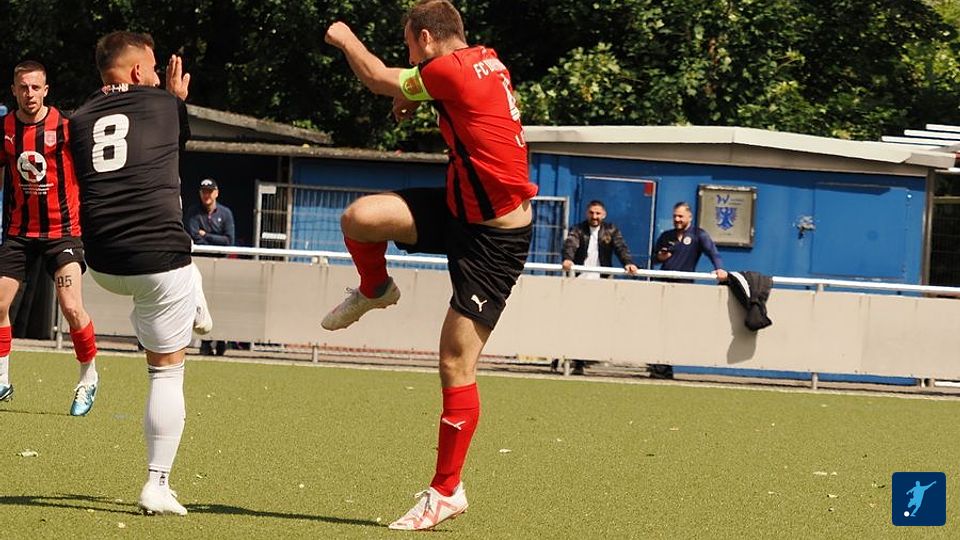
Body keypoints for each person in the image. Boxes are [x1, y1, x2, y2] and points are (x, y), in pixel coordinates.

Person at [323, 0, 537, 530]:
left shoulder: (451, 72)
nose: (410, 57)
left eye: (409, 46)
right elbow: (450, 95)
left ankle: (447, 492)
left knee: (455, 363)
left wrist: (343, 36)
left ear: (423, 38)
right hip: (458, 208)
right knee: (360, 219)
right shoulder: (484, 60)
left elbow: (376, 76)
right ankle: (375, 289)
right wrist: (416, 97)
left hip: (496, 240)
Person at [68, 31, 212, 516]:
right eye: (150, 68)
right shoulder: (164, 105)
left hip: (102, 261)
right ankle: (157, 482)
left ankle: (195, 298)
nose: (154, 76)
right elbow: (177, 144)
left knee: (185, 275)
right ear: (135, 71)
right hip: (157, 261)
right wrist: (176, 99)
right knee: (166, 372)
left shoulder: (79, 118)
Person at [0, 61, 100, 416]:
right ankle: (1, 379)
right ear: (14, 90)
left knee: (71, 307)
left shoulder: (67, 126)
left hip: (63, 234)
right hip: (19, 233)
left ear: (46, 90)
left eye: (35, 87)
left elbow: (89, 174)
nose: (29, 94)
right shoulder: (5, 128)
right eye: (23, 87)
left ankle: (88, 378)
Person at [649, 201, 728, 379]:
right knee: (660, 326)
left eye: (680, 216)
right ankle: (659, 366)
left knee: (675, 327)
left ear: (689, 217)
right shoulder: (666, 235)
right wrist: (660, 257)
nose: (677, 219)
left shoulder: (699, 235)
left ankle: (666, 364)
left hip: (683, 288)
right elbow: (654, 258)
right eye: (675, 216)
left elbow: (713, 253)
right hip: (662, 286)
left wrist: (719, 269)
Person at [559, 199, 638, 374]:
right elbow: (570, 244)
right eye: (591, 213)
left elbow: (620, 247)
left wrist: (628, 263)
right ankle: (575, 360)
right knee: (578, 321)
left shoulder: (611, 230)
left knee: (600, 320)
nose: (594, 216)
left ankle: (595, 355)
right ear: (587, 213)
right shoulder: (578, 229)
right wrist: (568, 259)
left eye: (598, 213)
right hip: (580, 280)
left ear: (604, 215)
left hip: (602, 282)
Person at [185, 177, 234, 356]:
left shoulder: (225, 213)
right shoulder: (193, 212)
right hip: (200, 264)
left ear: (216, 193)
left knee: (221, 303)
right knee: (199, 302)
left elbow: (229, 241)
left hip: (221, 266)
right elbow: (194, 237)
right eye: (204, 191)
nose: (207, 195)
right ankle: (205, 343)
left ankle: (221, 341)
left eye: (210, 191)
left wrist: (206, 235)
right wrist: (211, 238)